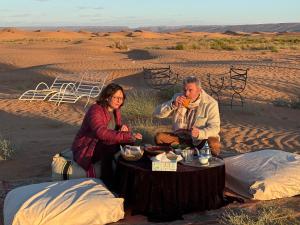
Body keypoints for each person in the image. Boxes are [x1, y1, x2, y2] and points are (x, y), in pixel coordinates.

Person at [71, 83, 142, 185]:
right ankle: (109, 182)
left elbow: (114, 129)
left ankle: (128, 178)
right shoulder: (95, 110)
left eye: (121, 98)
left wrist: (123, 129)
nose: (119, 101)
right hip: (88, 147)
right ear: (107, 97)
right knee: (109, 147)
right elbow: (100, 132)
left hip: (103, 142)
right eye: (116, 97)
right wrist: (125, 135)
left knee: (130, 144)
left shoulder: (116, 110)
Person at [153, 76, 221, 155]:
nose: (186, 93)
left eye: (190, 90)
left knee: (214, 143)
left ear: (199, 90)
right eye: (185, 90)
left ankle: (194, 153)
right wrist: (172, 104)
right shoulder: (177, 97)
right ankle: (187, 153)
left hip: (199, 140)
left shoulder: (210, 103)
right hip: (180, 138)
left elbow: (215, 128)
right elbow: (157, 113)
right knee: (159, 137)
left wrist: (200, 133)